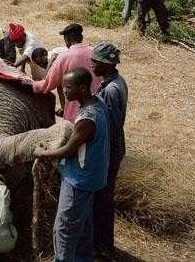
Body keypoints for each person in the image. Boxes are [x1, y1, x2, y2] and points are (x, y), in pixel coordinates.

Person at [34, 68, 110, 262]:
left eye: (68, 87)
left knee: (64, 227)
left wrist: (43, 153)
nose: (64, 90)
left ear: (83, 88)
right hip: (93, 176)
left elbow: (68, 149)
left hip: (79, 180)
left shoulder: (86, 119)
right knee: (83, 224)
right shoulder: (97, 103)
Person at [91, 42, 128, 258]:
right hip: (110, 148)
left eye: (94, 62)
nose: (91, 65)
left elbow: (111, 127)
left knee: (103, 200)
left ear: (106, 64)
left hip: (109, 149)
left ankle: (104, 248)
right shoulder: (109, 82)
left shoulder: (113, 90)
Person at [25, 23, 101, 121]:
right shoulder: (96, 53)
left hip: (77, 114)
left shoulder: (64, 57)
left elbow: (47, 84)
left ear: (67, 40)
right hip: (99, 109)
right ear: (81, 37)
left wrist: (29, 84)